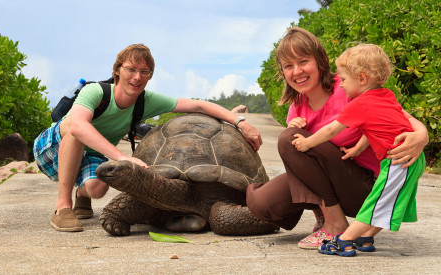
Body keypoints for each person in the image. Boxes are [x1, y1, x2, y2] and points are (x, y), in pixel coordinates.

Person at [33, 43, 263, 232]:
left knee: (98, 189)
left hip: (93, 153)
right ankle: (63, 207)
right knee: (75, 130)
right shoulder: (96, 91)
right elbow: (78, 126)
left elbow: (198, 105)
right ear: (117, 70)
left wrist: (240, 122)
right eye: (131, 69)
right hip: (53, 148)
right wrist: (123, 159)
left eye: (144, 72)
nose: (137, 77)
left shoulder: (144, 100)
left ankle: (83, 191)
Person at [245, 27, 428, 250]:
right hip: (333, 181)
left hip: (365, 188)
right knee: (262, 203)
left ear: (320, 60)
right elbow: (304, 163)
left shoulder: (350, 86)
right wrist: (296, 129)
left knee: (289, 139)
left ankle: (335, 225)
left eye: (303, 61)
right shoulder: (297, 108)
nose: (297, 71)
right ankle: (323, 216)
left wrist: (421, 135)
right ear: (283, 72)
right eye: (288, 66)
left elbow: (401, 117)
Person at [292, 43, 425, 256]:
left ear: (361, 79)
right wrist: (356, 149)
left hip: (398, 160)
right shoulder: (386, 95)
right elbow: (371, 129)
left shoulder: (359, 104)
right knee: (393, 201)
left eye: (343, 80)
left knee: (378, 201)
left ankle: (343, 241)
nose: (341, 85)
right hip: (413, 158)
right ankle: (365, 237)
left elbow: (331, 130)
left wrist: (307, 143)